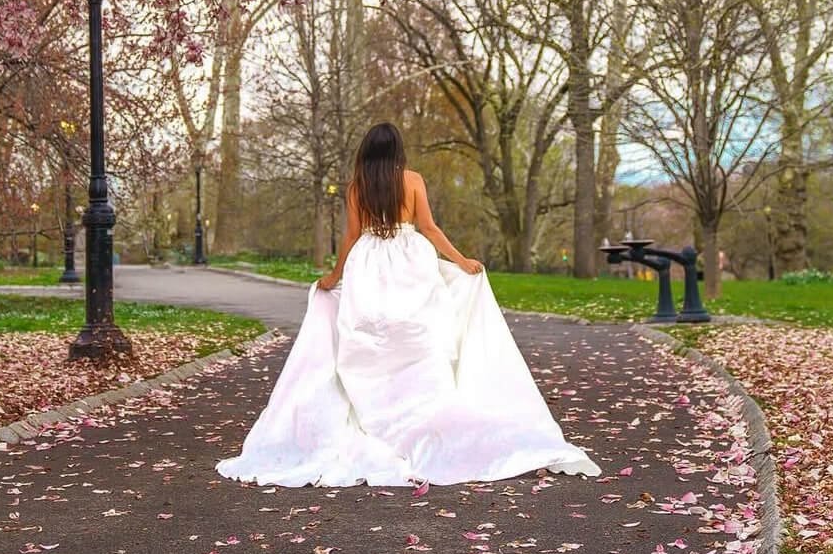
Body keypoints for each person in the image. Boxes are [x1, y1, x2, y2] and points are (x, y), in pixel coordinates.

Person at [217, 121, 600, 488]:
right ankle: (419, 418)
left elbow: (351, 237)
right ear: (398, 151)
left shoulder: (357, 187)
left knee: (373, 335)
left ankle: (376, 415)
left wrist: (335, 278)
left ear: (367, 152)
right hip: (408, 260)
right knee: (418, 331)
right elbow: (429, 229)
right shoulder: (412, 180)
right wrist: (461, 261)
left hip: (369, 262)